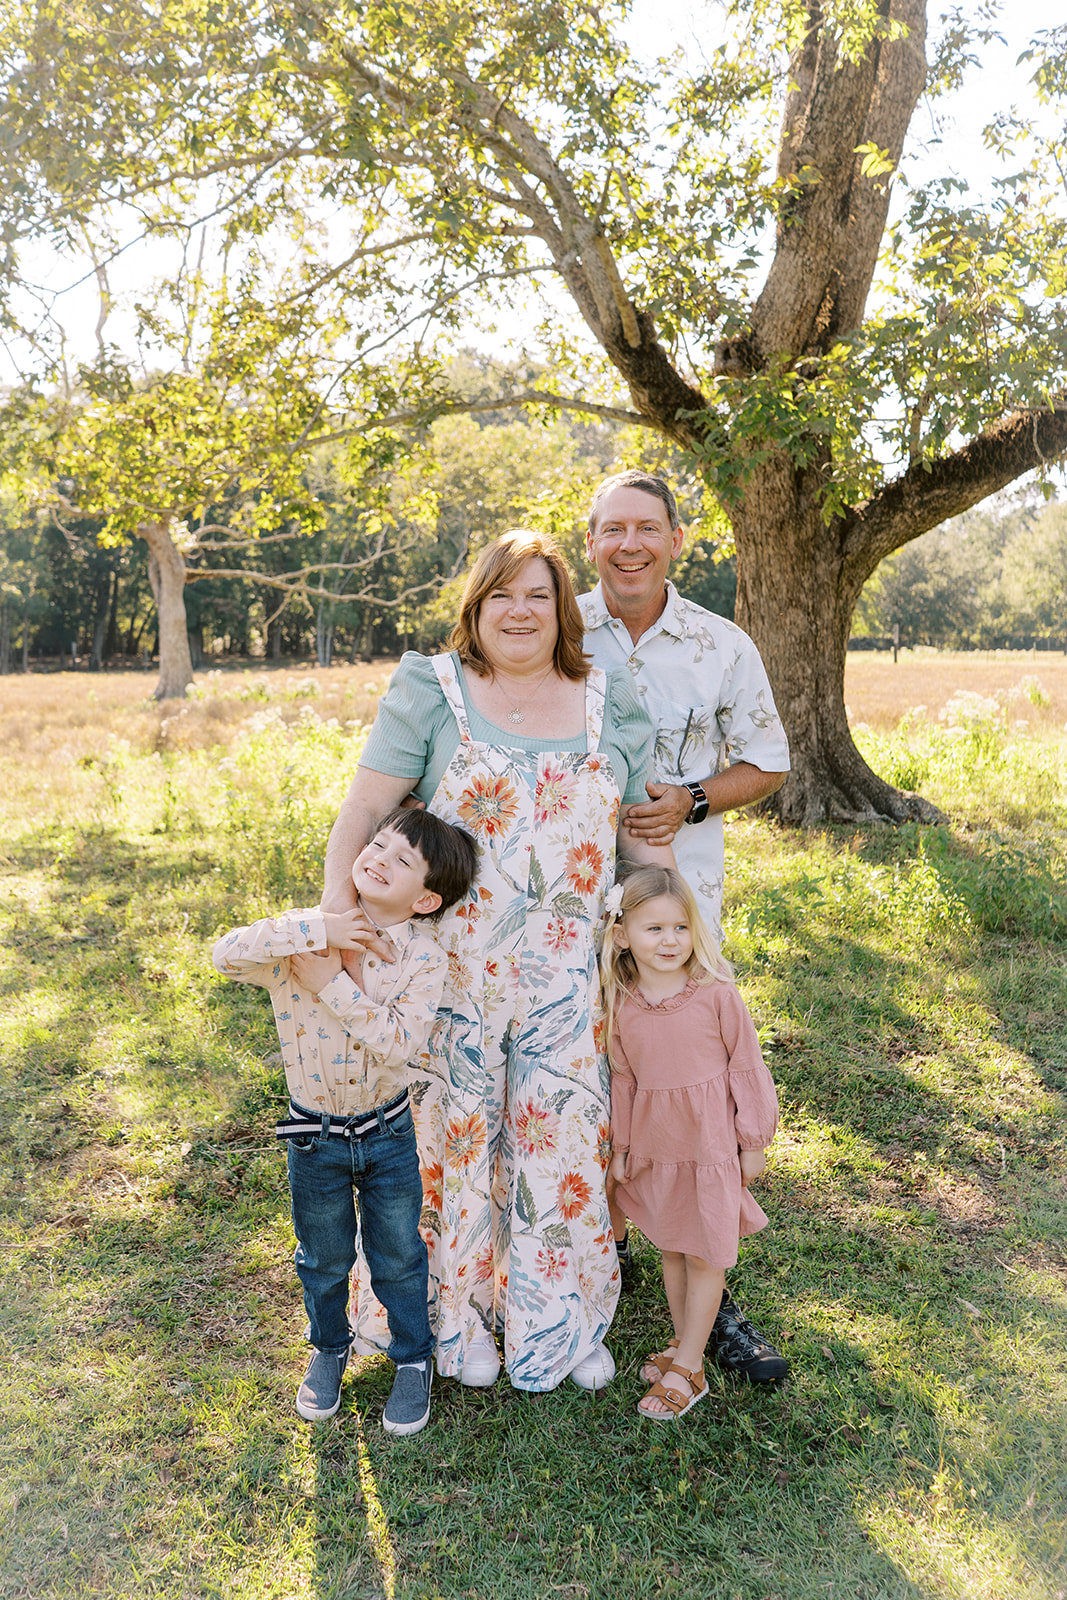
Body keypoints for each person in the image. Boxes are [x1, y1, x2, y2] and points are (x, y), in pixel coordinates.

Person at [321, 529, 674, 1393]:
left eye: (538, 596)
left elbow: (632, 832)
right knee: (454, 1144)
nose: (519, 611)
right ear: (474, 608)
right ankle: (457, 1320)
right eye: (500, 595)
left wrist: (665, 941)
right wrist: (341, 926)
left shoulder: (607, 696)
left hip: (566, 981)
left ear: (563, 611)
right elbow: (363, 810)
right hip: (451, 977)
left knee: (558, 1143)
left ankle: (559, 1322)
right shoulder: (432, 690)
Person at [579, 467, 792, 1382]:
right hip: (560, 908)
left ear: (675, 539)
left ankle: (713, 1305)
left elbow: (769, 763)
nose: (627, 544)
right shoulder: (548, 624)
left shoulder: (720, 644)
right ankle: (588, 1267)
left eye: (645, 528)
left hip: (673, 917)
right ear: (589, 541)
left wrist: (695, 799)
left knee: (686, 1099)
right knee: (582, 1088)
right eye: (609, 529)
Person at [212, 806, 478, 1435]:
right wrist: (319, 927)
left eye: (402, 859)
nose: (380, 858)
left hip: (386, 1133)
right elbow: (225, 955)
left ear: (426, 897)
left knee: (398, 1255)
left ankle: (414, 1359)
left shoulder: (423, 959)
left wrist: (333, 982)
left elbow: (397, 1042)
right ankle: (328, 1347)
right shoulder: (308, 933)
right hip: (315, 1135)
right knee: (323, 1257)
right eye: (378, 844)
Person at [602, 866, 779, 1419]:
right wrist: (624, 1148)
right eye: (653, 929)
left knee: (704, 1257)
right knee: (674, 1251)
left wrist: (753, 1139)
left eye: (680, 927)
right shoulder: (622, 1003)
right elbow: (625, 1080)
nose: (669, 941)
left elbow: (746, 1066)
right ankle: (687, 1349)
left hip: (710, 1149)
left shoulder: (715, 994)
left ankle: (689, 1370)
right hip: (660, 1148)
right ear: (622, 934)